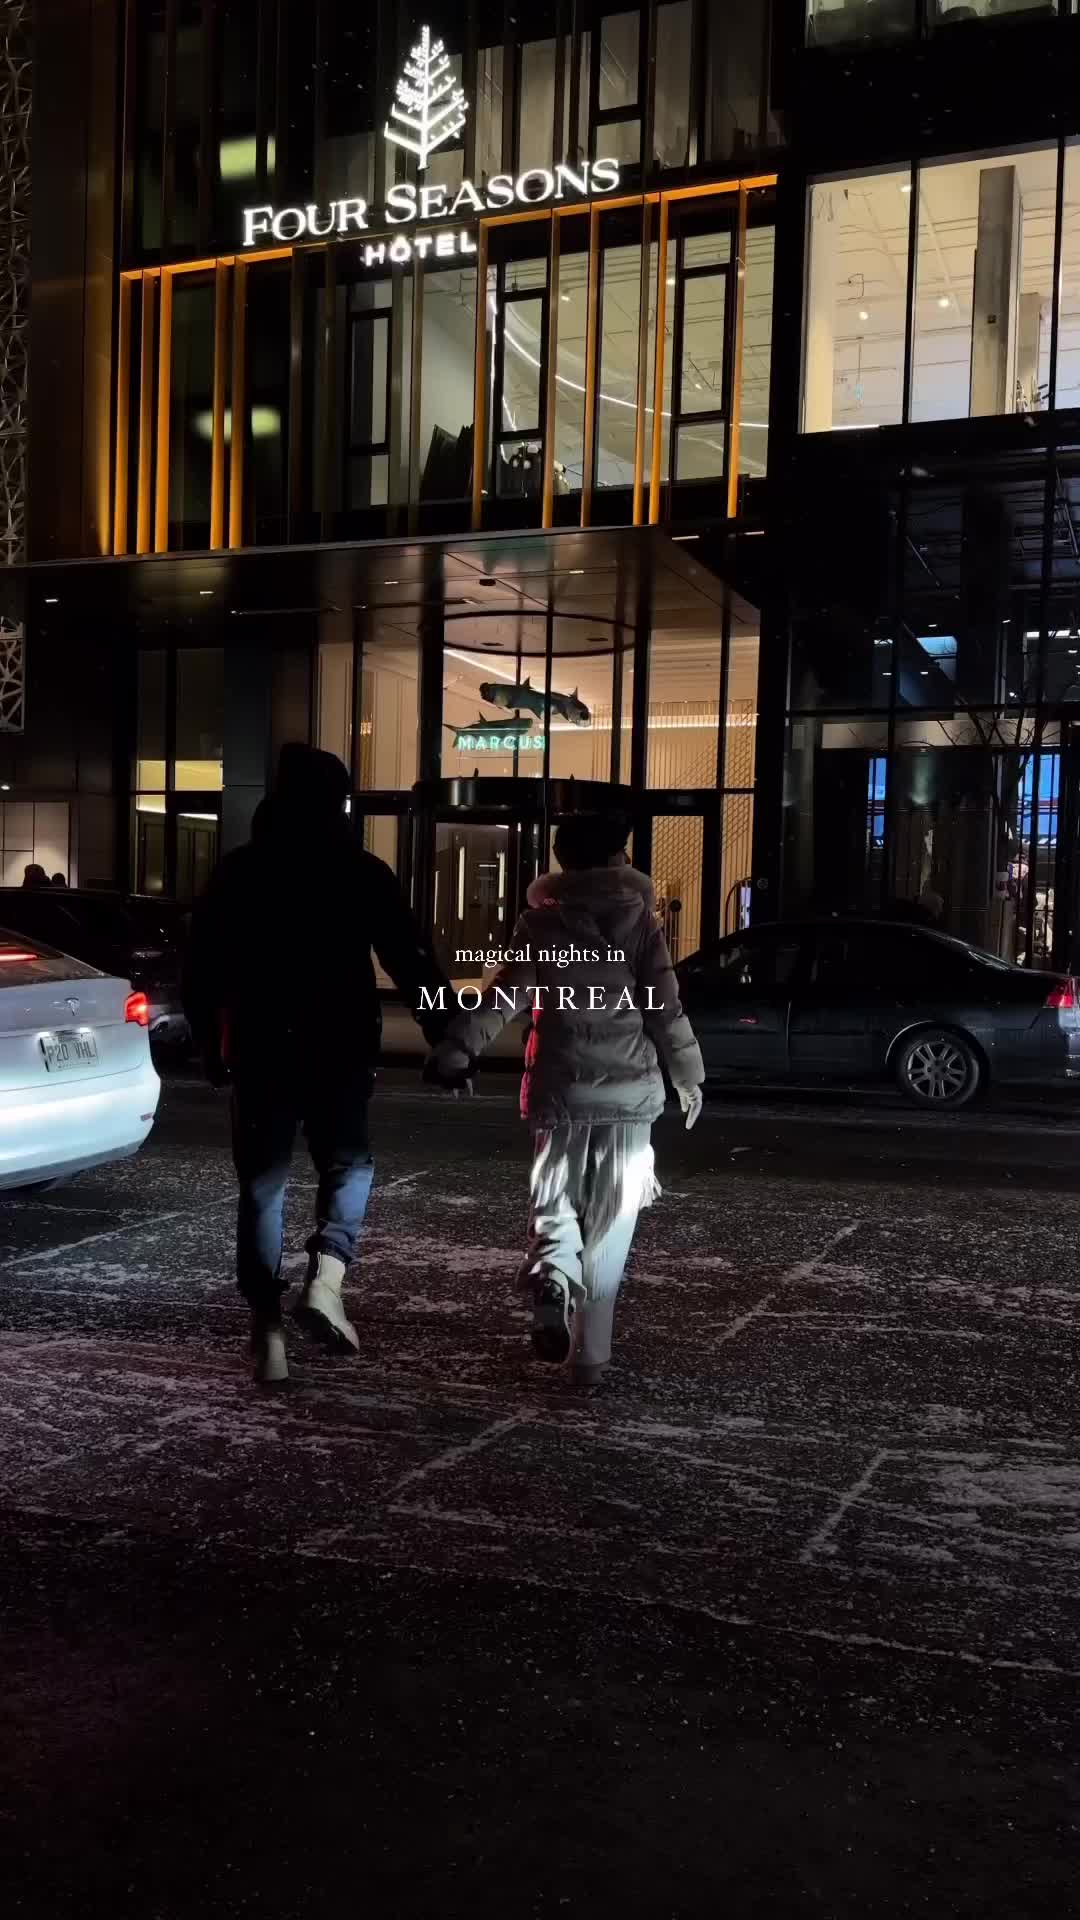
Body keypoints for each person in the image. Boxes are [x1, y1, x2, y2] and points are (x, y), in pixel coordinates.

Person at [185, 743, 450, 1385]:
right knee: (349, 1164)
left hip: (261, 1046)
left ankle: (266, 1329)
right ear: (339, 804)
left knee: (262, 1184)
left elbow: (201, 966)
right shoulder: (360, 871)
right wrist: (445, 1032)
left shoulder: (239, 872)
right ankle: (327, 1276)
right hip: (339, 1046)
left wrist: (207, 1043)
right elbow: (411, 959)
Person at [427, 814, 704, 1389]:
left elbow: (502, 998)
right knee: (611, 1221)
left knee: (556, 1202)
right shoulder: (641, 925)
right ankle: (590, 1358)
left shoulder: (541, 926)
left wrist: (458, 1048)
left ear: (564, 863)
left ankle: (552, 1276)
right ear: (617, 857)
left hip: (560, 1090)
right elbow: (665, 1010)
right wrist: (688, 1076)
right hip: (630, 1100)